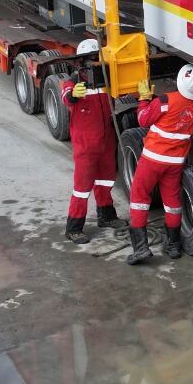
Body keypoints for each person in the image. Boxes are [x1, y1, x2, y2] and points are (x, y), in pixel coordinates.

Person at [125, 64, 193, 265]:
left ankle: (141, 248)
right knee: (172, 204)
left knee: (139, 197)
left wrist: (144, 99)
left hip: (152, 159)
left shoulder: (165, 100)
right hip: (175, 163)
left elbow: (143, 119)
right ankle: (173, 246)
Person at [61, 39, 122, 244]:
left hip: (106, 143)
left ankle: (107, 216)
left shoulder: (107, 80)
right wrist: (73, 95)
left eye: (97, 58)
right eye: (91, 59)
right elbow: (66, 96)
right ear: (81, 62)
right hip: (86, 146)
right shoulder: (73, 82)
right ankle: (74, 228)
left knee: (105, 180)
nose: (95, 62)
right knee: (82, 187)